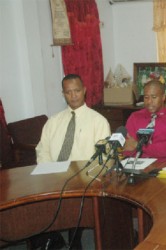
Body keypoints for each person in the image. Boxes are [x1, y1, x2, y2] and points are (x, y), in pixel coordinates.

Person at [34, 74, 111, 249]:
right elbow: (42, 149)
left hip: (82, 177)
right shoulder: (53, 121)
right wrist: (49, 169)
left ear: (84, 91)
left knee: (73, 201)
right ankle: (51, 237)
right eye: (68, 92)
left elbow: (103, 157)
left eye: (77, 91)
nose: (73, 96)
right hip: (53, 175)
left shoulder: (98, 121)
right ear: (63, 94)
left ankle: (74, 238)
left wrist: (82, 174)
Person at [122, 79, 166, 165]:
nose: (149, 102)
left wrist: (138, 146)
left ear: (163, 97)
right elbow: (128, 148)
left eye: (154, 97)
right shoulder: (135, 117)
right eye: (146, 97)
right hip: (136, 165)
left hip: (163, 166)